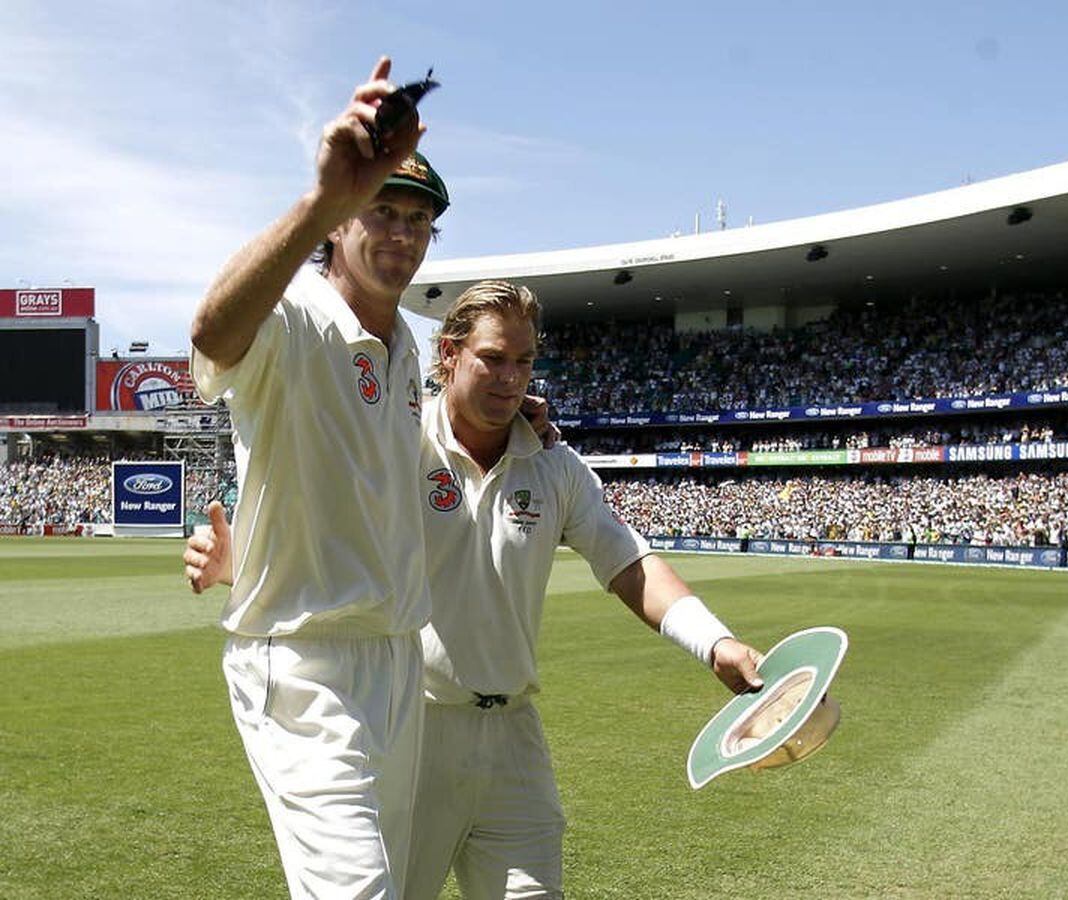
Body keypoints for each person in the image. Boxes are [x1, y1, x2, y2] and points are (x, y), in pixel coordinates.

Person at [187, 281, 765, 900]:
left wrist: (715, 643)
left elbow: (628, 562)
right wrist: (240, 564)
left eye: (523, 362)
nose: (510, 378)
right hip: (411, 728)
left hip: (514, 740)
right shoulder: (396, 445)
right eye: (492, 358)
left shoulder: (554, 465)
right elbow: (319, 520)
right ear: (448, 357)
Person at [187, 56, 449, 899]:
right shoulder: (292, 320)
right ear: (340, 227)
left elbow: (368, 492)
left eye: (418, 218)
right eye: (380, 210)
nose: (401, 232)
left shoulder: (411, 347)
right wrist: (318, 202)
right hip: (301, 662)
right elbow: (213, 329)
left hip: (397, 658)